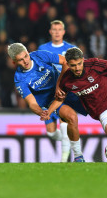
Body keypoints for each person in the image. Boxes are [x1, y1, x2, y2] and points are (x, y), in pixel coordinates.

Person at [7, 43, 88, 162]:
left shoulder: (40, 55)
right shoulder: (20, 79)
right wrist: (42, 112)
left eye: (26, 56)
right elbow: (32, 103)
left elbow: (65, 62)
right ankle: (78, 156)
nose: (25, 61)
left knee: (94, 106)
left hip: (65, 88)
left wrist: (59, 86)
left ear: (28, 52)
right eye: (20, 60)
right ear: (14, 62)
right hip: (51, 102)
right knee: (71, 117)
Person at [37, 20, 77, 162]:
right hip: (48, 93)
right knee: (51, 133)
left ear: (64, 32)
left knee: (64, 124)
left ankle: (64, 160)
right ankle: (71, 138)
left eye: (59, 29)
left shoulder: (72, 49)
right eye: (54, 29)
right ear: (50, 32)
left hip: (65, 92)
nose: (57, 32)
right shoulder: (42, 48)